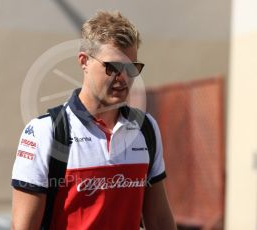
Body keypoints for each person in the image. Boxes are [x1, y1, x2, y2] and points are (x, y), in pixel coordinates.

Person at [11, 10, 176, 230]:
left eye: (131, 68)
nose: (124, 78)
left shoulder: (145, 128)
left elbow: (160, 221)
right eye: (113, 67)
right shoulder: (45, 131)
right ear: (84, 61)